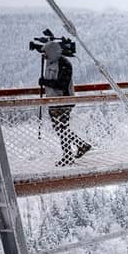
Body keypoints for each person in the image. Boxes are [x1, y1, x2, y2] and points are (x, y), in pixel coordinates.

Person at [38, 39, 91, 167]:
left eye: (46, 53)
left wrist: (44, 82)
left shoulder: (64, 63)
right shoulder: (53, 62)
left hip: (64, 101)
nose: (45, 56)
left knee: (61, 128)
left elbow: (62, 84)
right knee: (61, 128)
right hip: (54, 101)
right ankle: (80, 146)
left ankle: (69, 155)